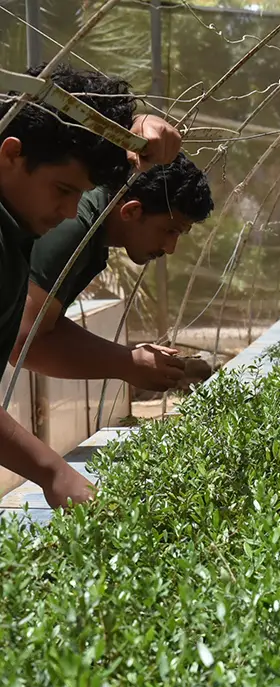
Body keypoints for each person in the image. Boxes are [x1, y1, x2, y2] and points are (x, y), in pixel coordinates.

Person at [0, 63, 180, 508]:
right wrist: (53, 471)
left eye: (80, 194)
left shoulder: (16, 231)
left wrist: (132, 130)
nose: (68, 211)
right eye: (62, 189)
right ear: (10, 154)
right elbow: (28, 340)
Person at [15, 153, 214, 391]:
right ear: (131, 211)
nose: (170, 248)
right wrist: (127, 363)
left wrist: (130, 358)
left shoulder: (93, 235)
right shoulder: (74, 227)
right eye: (169, 231)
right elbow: (24, 343)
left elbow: (44, 325)